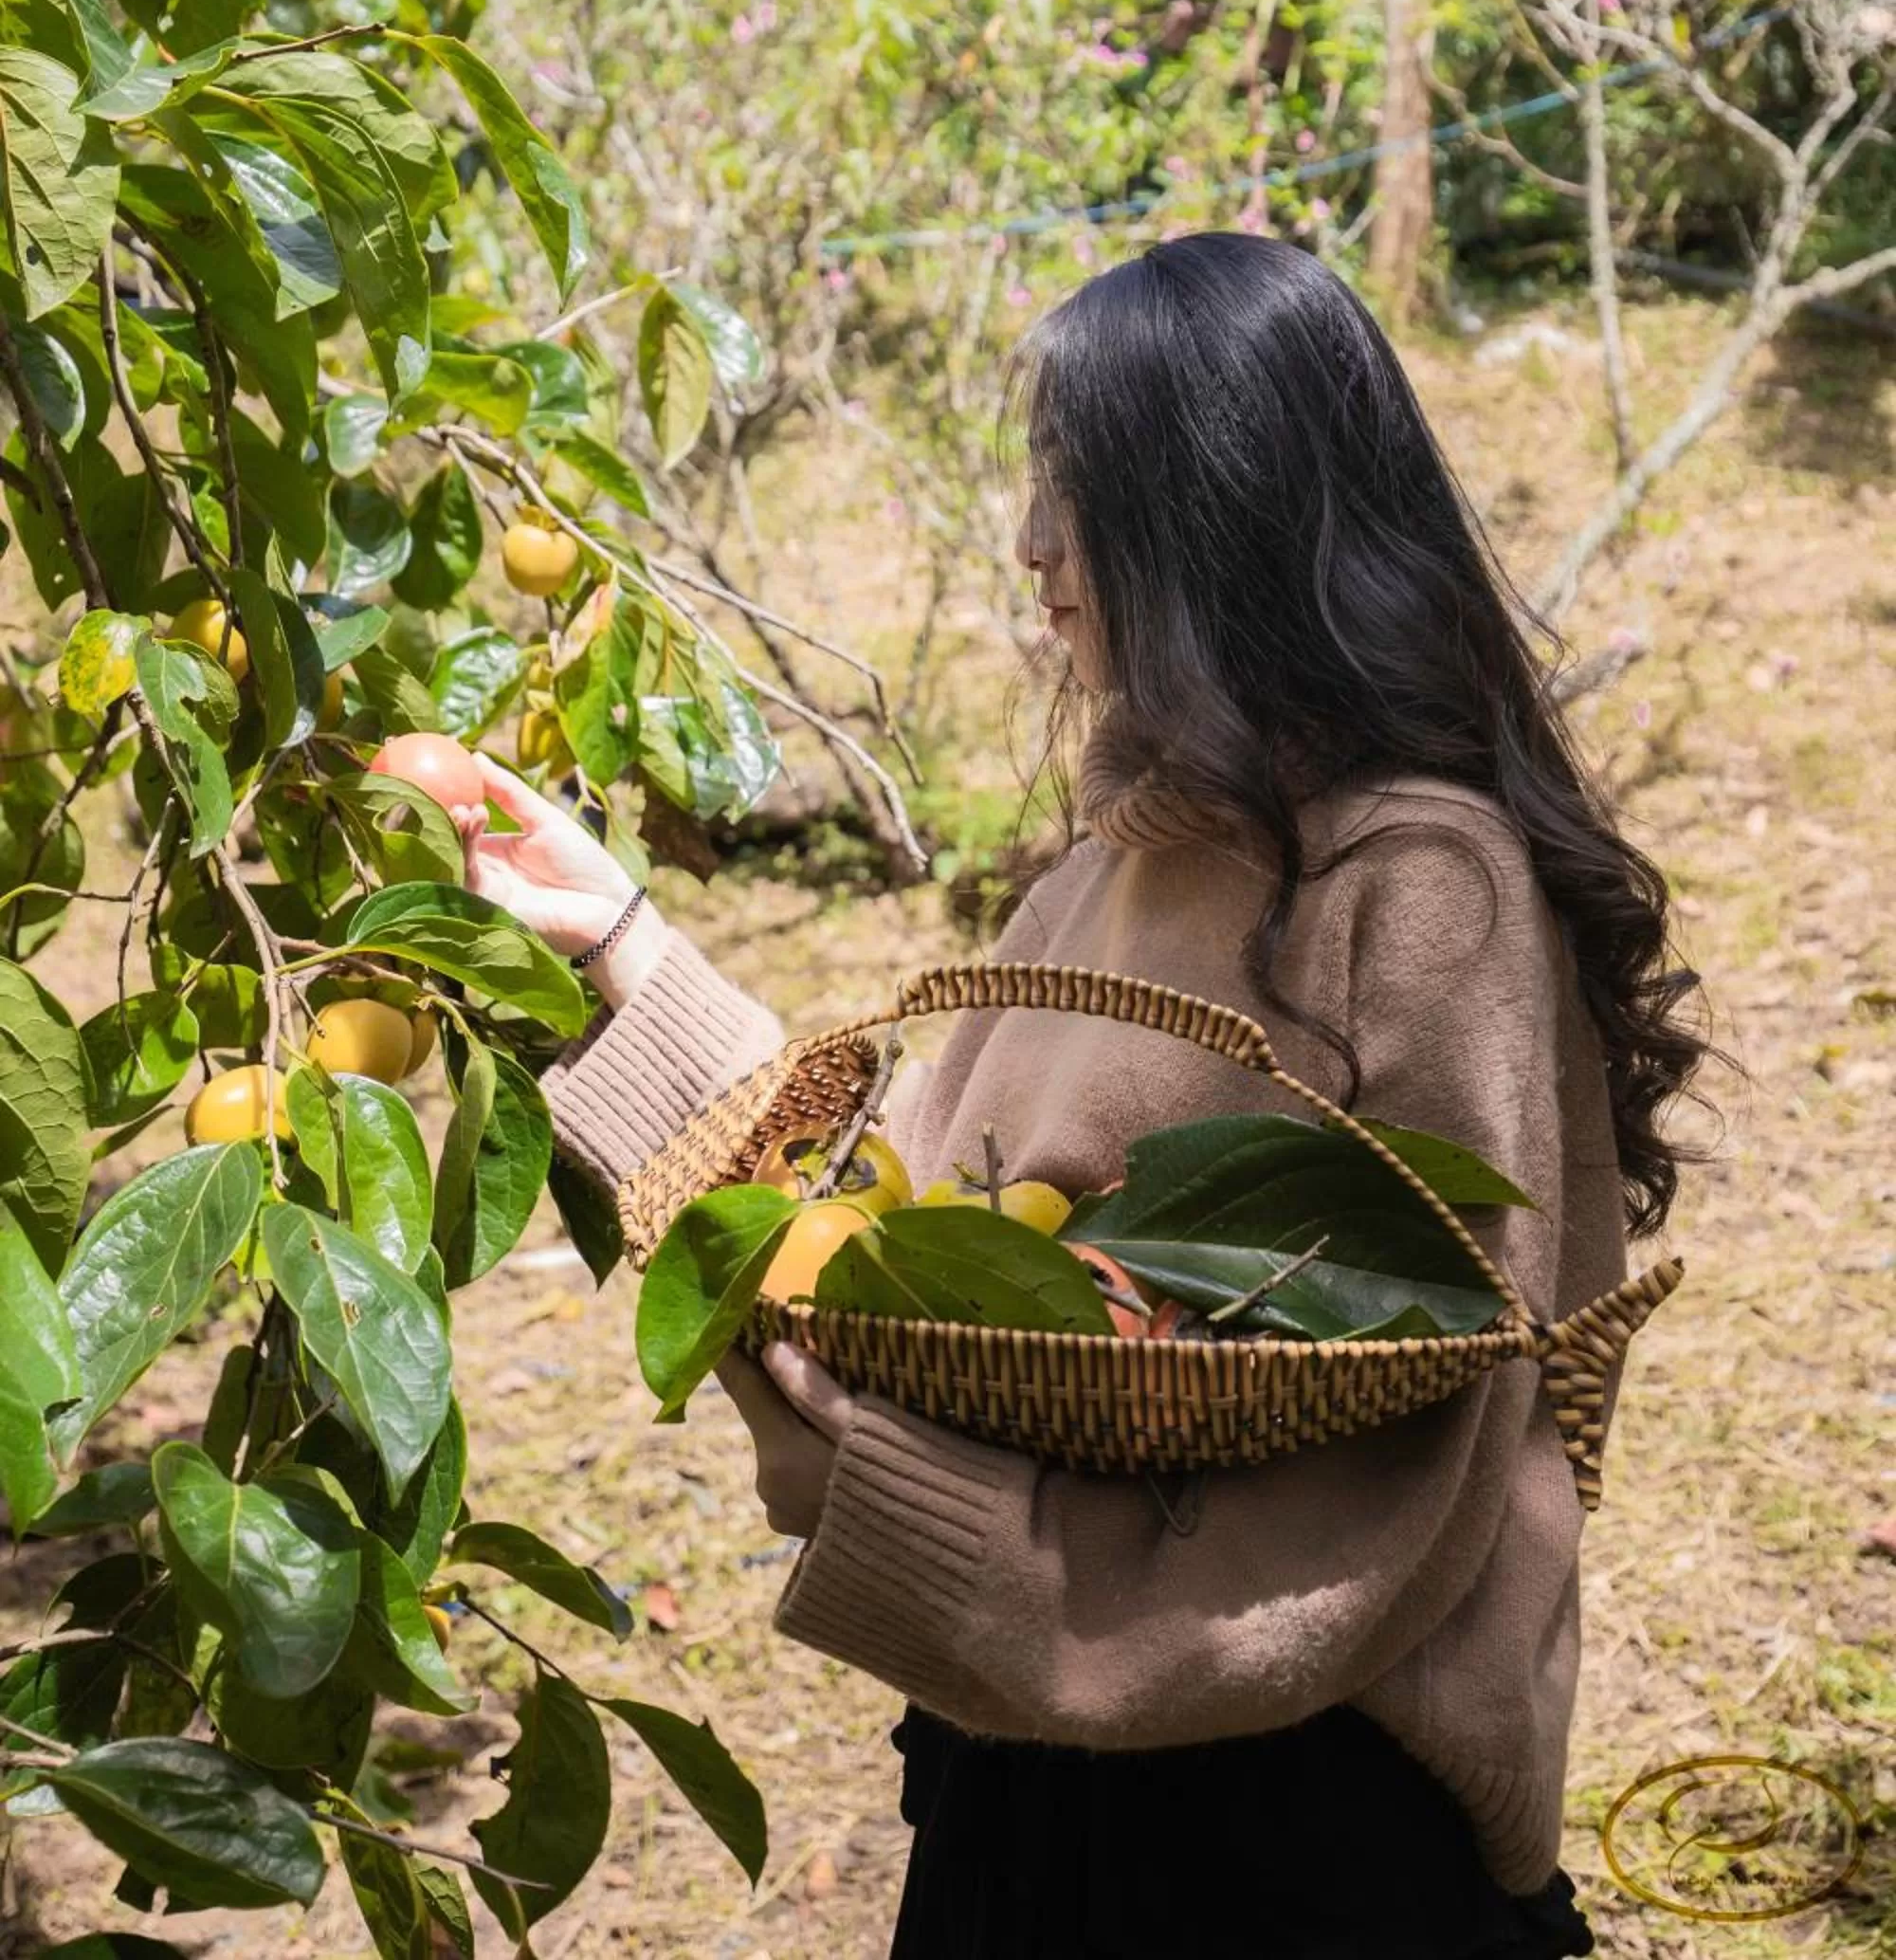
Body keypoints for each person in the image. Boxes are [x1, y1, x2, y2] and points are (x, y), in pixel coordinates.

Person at [454, 234, 1717, 1959]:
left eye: (1083, 491)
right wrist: (625, 947)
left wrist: (968, 1544)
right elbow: (914, 1215)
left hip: (1290, 1833)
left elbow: (1401, 1462)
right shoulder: (1133, 847)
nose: (1036, 544)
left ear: (1223, 519)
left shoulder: (1421, 888)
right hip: (1041, 1782)